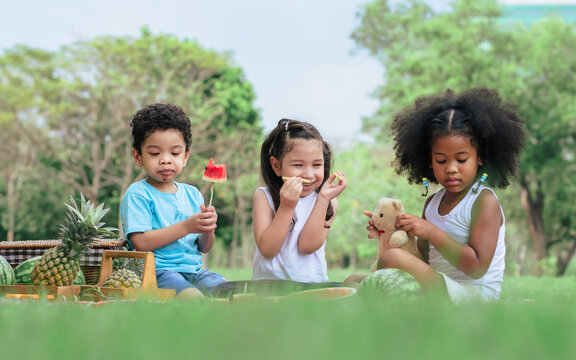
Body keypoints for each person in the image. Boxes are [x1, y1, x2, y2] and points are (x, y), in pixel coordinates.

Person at [350, 87, 525, 303]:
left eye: (461, 160)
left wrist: (431, 232)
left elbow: (477, 267)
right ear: (429, 161)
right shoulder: (432, 203)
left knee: (391, 260)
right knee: (353, 279)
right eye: (441, 160)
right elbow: (422, 260)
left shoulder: (483, 201)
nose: (451, 168)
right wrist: (393, 236)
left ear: (480, 157)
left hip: (475, 296)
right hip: (441, 286)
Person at [120, 103, 226, 299]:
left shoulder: (193, 194)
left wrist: (207, 229)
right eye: (154, 153)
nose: (166, 160)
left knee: (228, 291)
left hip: (195, 272)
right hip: (157, 273)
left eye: (175, 153)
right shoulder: (138, 194)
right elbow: (140, 243)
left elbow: (205, 247)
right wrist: (187, 226)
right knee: (193, 299)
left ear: (185, 156)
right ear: (138, 156)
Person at [252, 119, 347, 283]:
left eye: (316, 165)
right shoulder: (263, 196)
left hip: (312, 286)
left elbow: (307, 246)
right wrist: (287, 206)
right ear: (277, 166)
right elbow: (267, 250)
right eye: (298, 165)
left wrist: (324, 200)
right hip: (270, 286)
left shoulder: (329, 202)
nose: (309, 174)